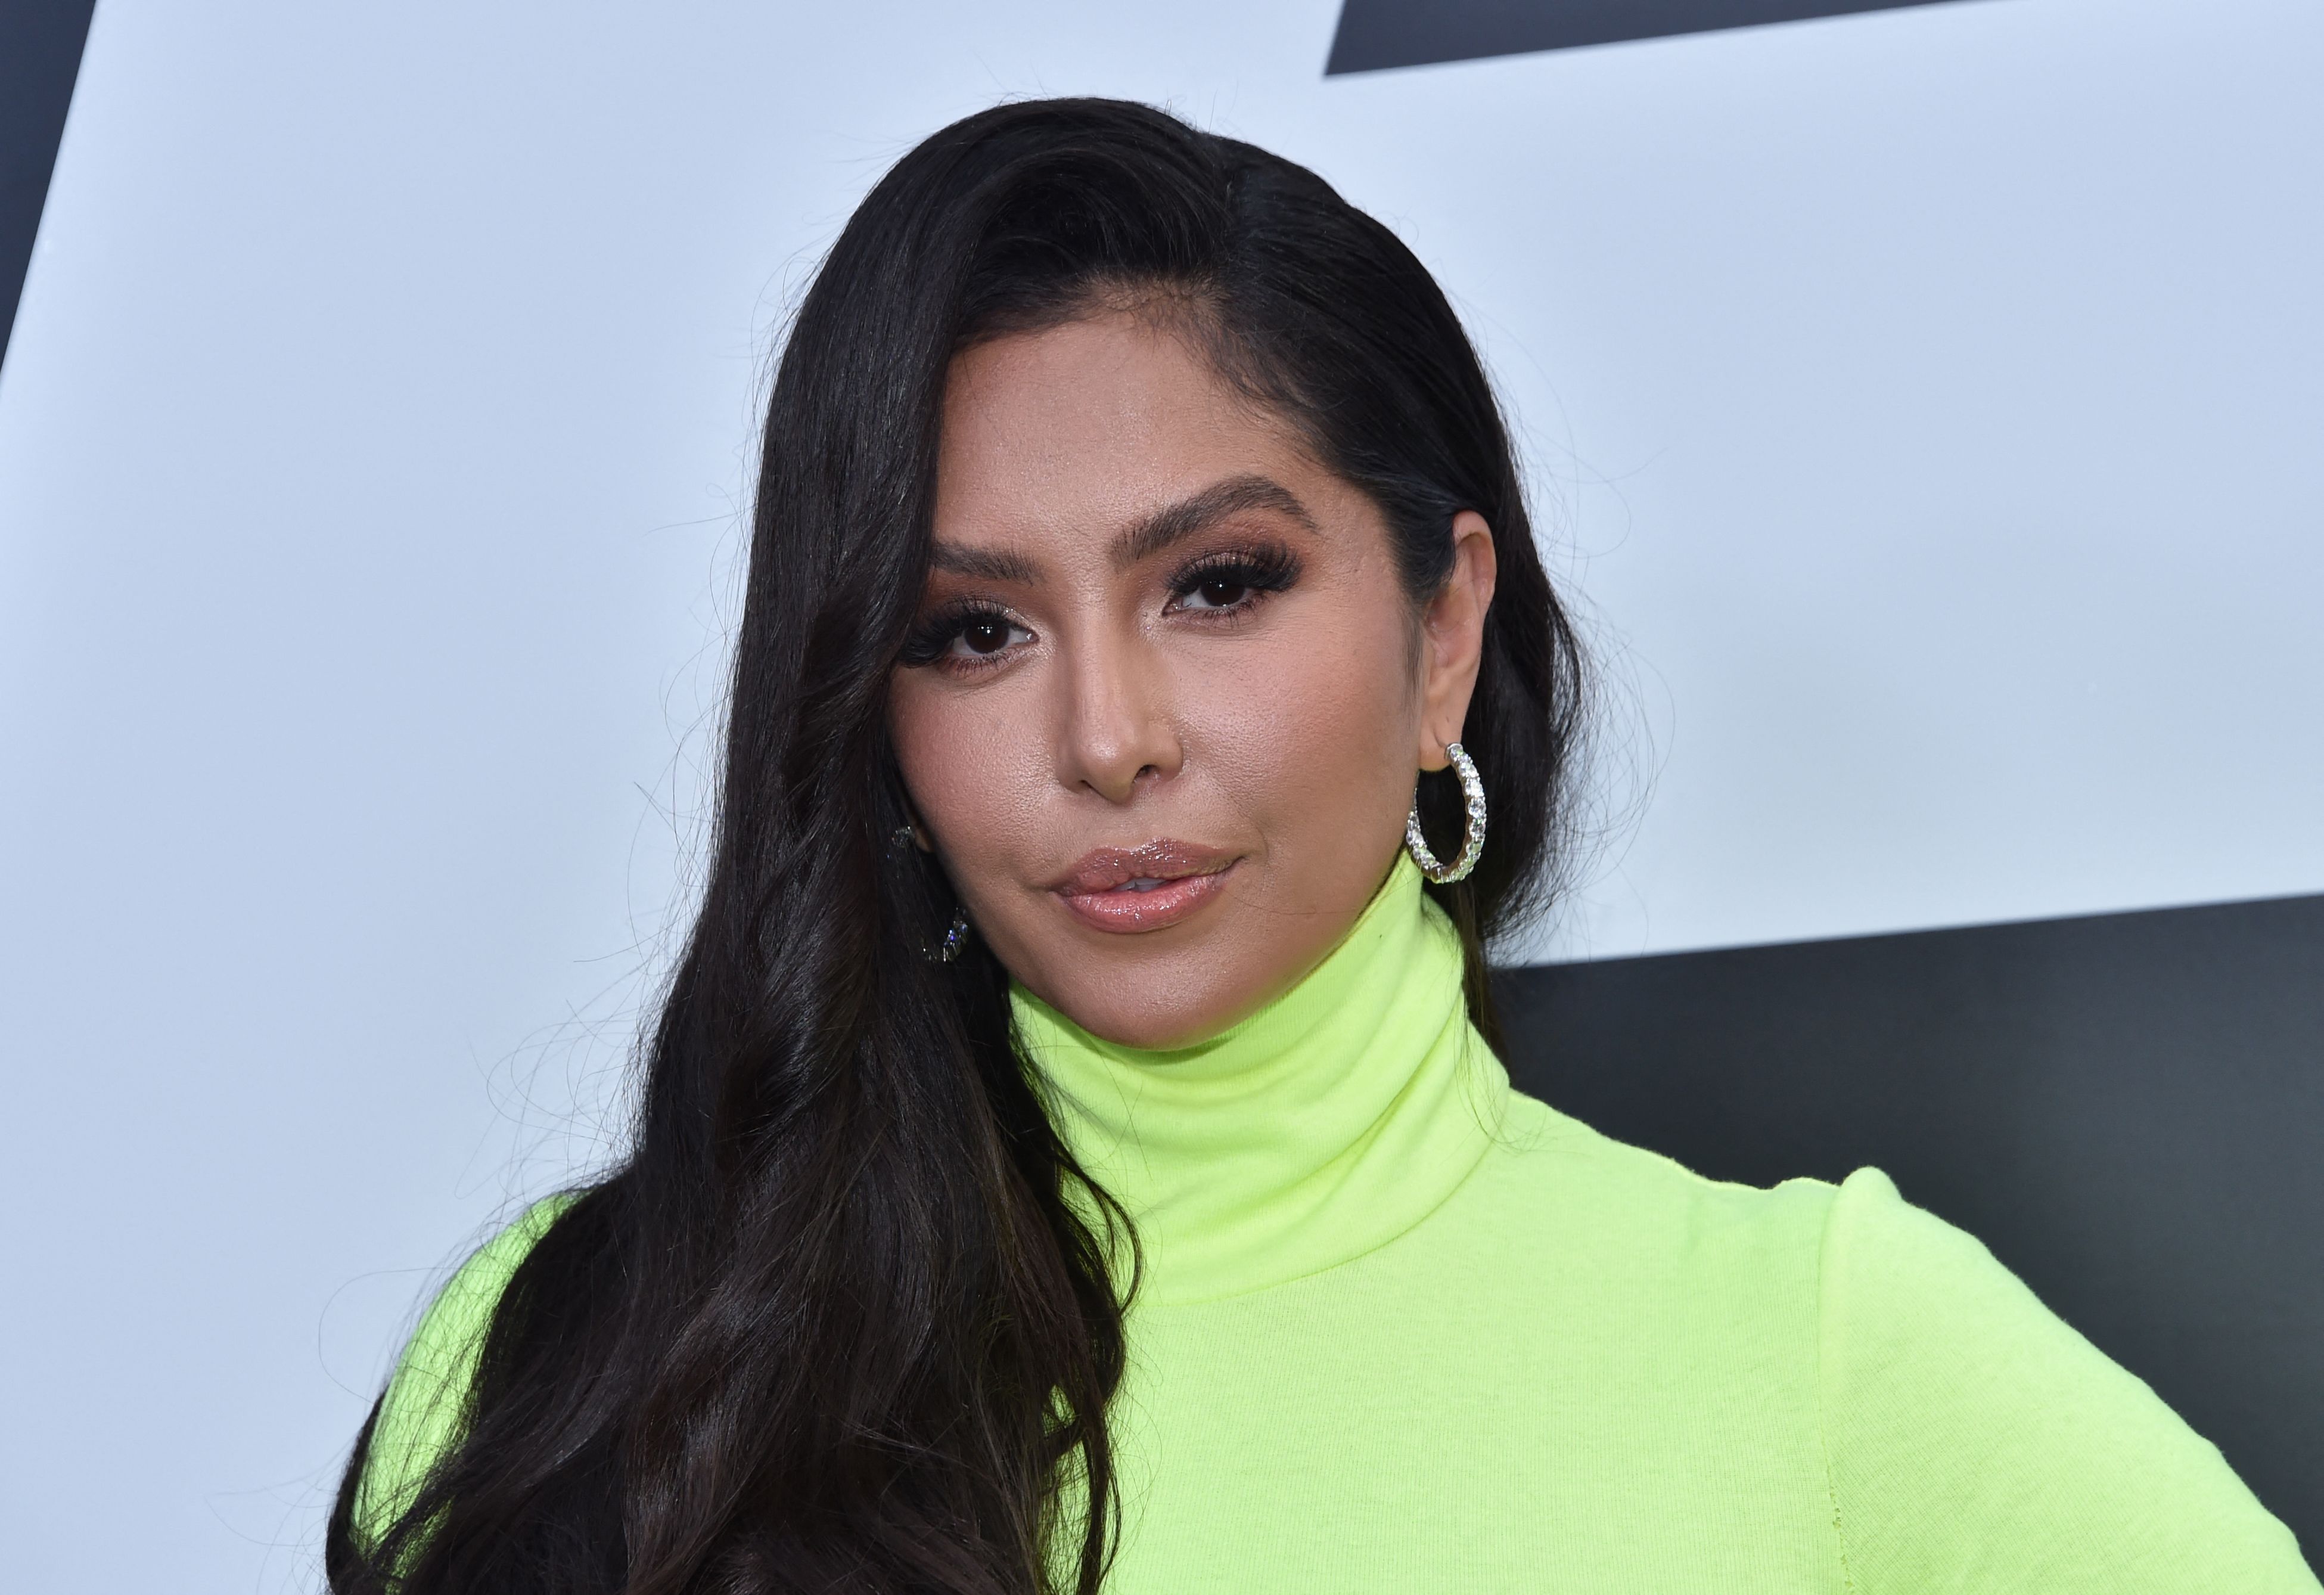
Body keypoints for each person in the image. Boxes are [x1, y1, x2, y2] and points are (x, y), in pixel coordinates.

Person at [326, 99, 2316, 1595]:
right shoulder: (581, 1361)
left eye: (1216, 583)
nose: (1105, 736)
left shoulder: (1815, 1354)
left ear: (1442, 628)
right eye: (974, 629)